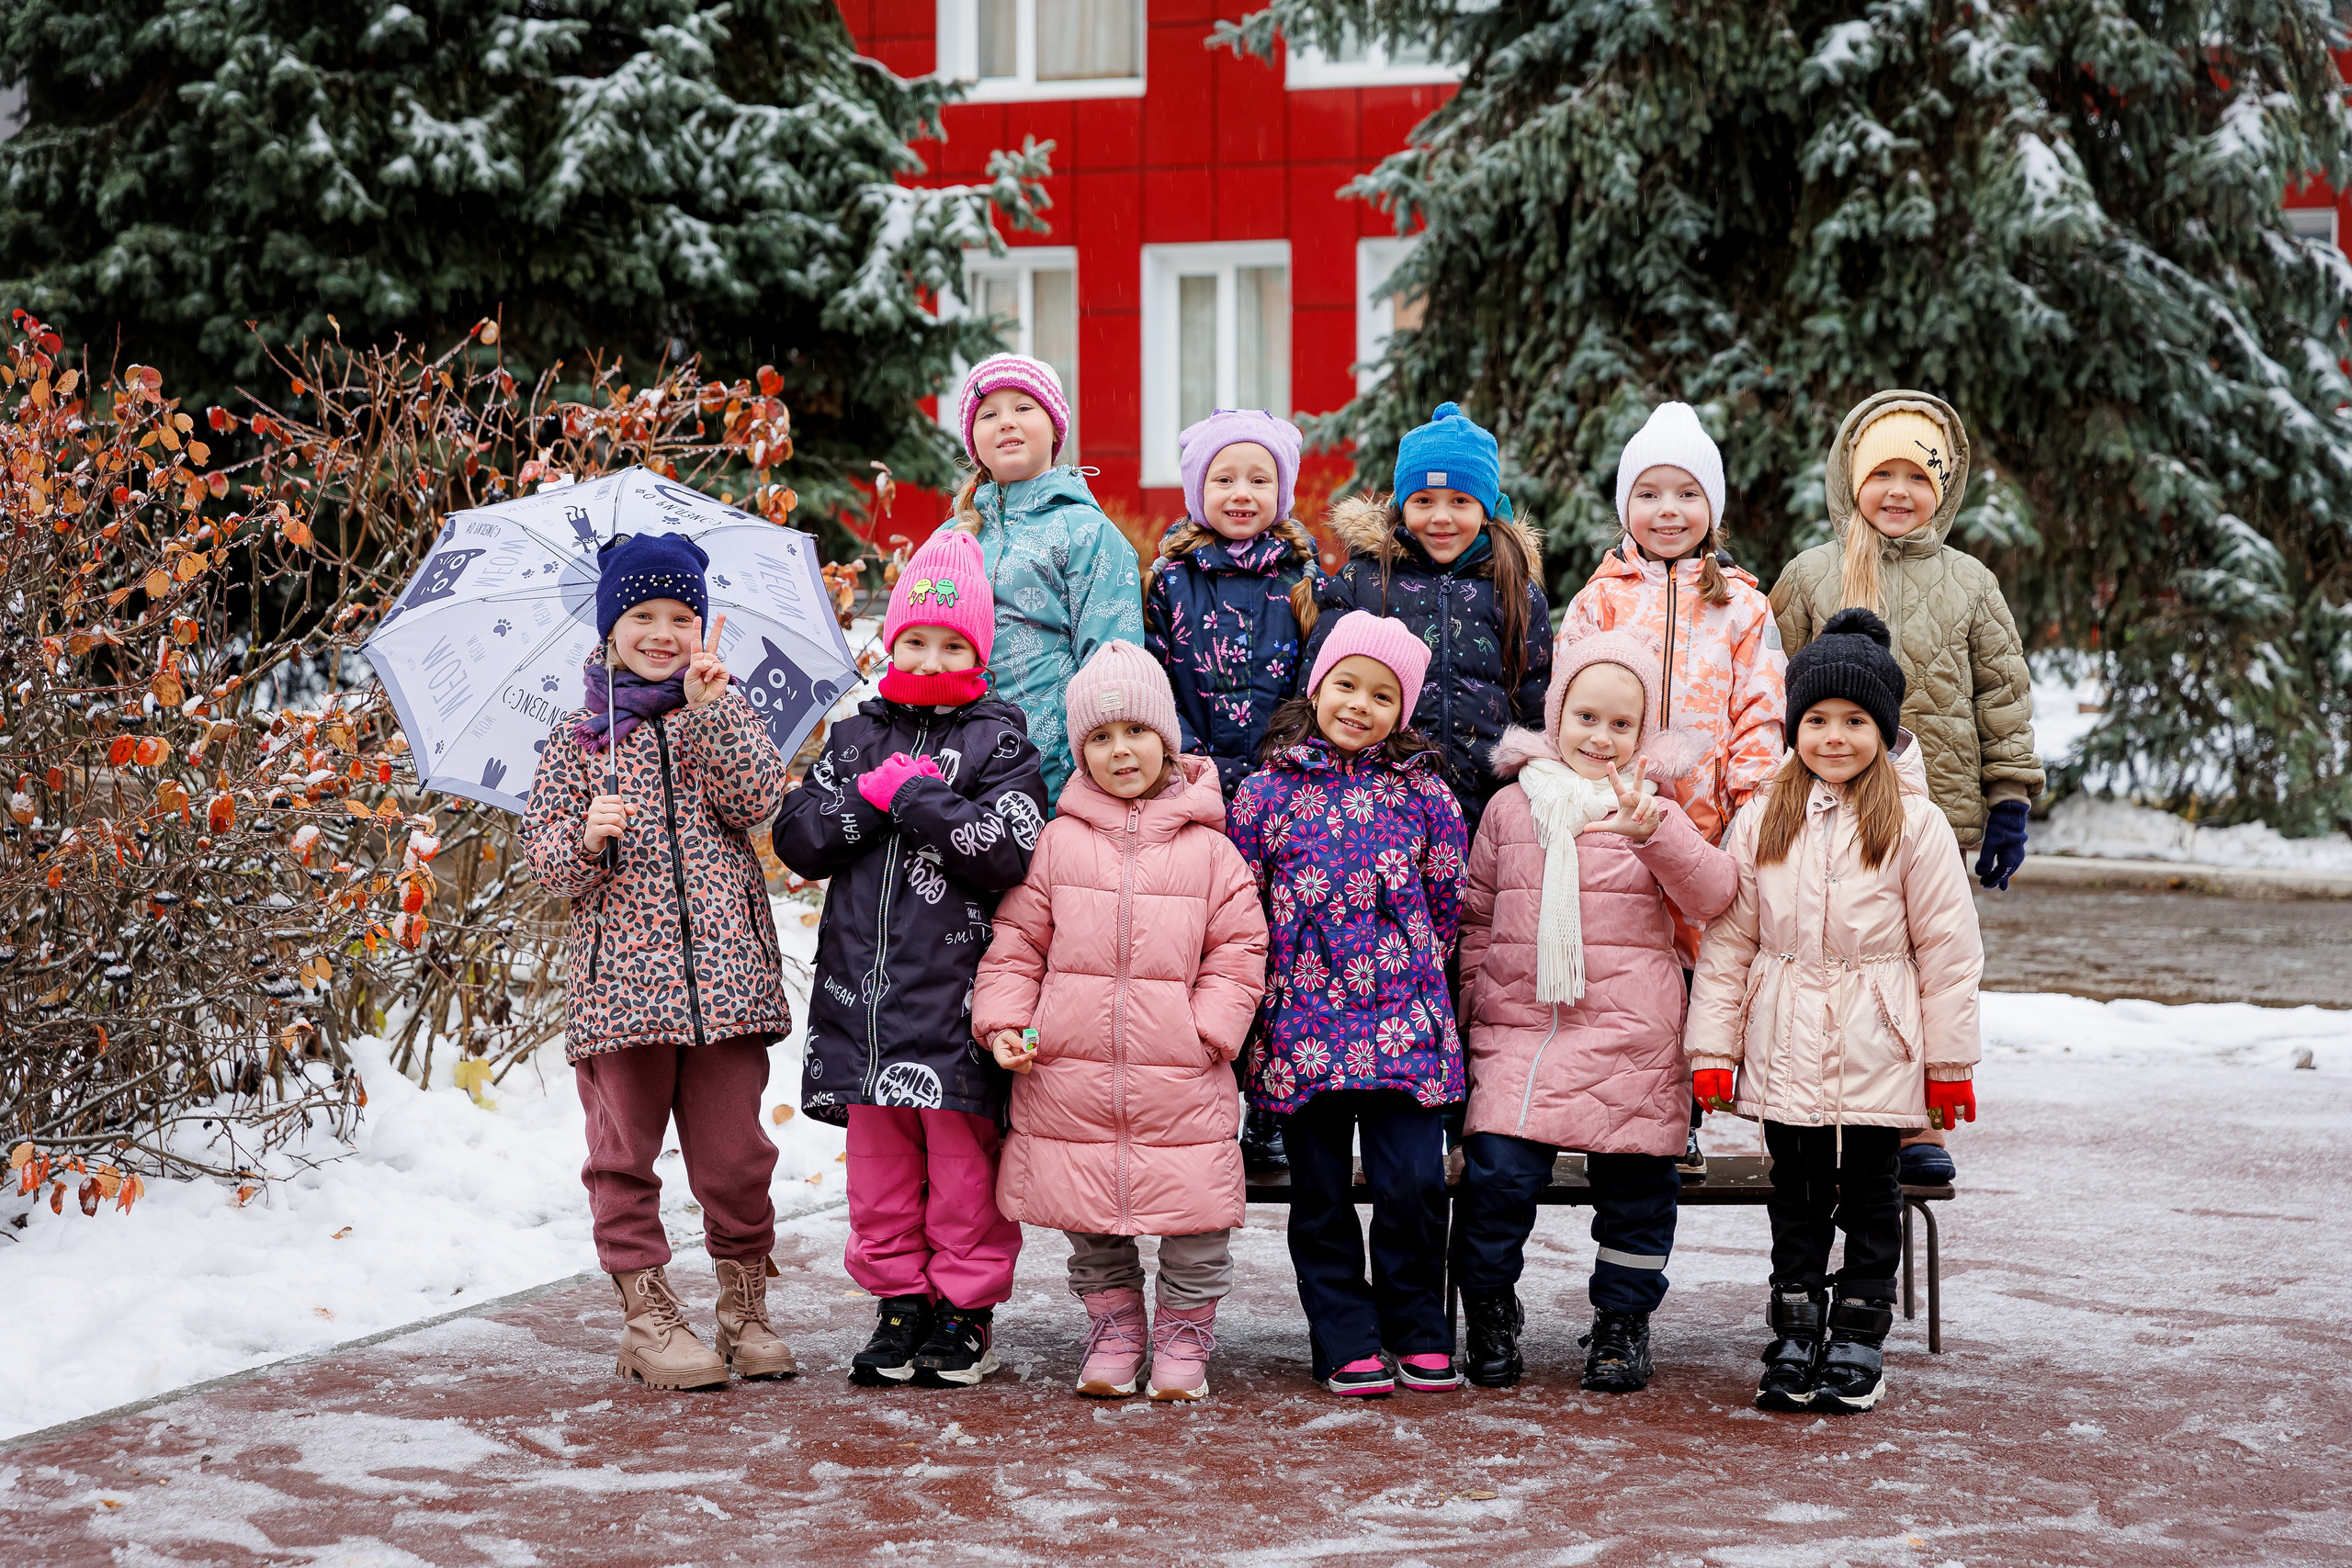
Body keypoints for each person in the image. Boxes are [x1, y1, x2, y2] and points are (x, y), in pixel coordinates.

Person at [770, 528, 1048, 1390]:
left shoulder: (1002, 744)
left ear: (981, 651)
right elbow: (799, 838)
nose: (930, 657)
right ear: (889, 642)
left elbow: (1008, 850)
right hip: (863, 1011)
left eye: (952, 643)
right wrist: (870, 793)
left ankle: (964, 1312)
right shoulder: (853, 737)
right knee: (881, 1176)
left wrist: (917, 796)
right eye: (914, 641)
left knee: (965, 1173)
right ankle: (898, 1304)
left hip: (954, 1010)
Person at [1687, 608, 1984, 1416]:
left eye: (1856, 721)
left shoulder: (1915, 825)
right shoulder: (1763, 819)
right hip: (1784, 1039)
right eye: (1817, 720)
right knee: (1799, 1193)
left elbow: (1950, 952)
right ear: (1795, 727)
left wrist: (1948, 1065)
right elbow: (1729, 944)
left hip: (1880, 1044)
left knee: (1871, 1193)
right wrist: (1712, 1047)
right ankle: (1793, 1327)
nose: (1835, 736)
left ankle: (1859, 1330)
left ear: (1884, 731)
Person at [523, 531, 800, 1392]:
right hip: (621, 994)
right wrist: (587, 839)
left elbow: (760, 803)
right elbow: (547, 864)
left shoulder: (718, 709)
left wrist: (713, 715)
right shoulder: (578, 744)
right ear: (609, 628)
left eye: (681, 615)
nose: (662, 630)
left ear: (703, 626)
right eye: (642, 614)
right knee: (623, 1154)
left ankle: (744, 1306)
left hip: (725, 987)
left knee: (737, 1156)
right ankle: (646, 1316)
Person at [975, 643, 1269, 1402]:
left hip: (1179, 1070)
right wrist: (1005, 1018)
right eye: (1098, 738)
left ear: (1167, 740)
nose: (1119, 751)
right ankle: (1114, 1325)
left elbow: (1239, 948)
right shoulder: (1056, 842)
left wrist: (1208, 1029)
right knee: (1089, 1216)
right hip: (1070, 1069)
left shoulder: (1212, 850)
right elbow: (1017, 944)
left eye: (1134, 731)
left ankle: (1182, 1332)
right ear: (1079, 752)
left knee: (1196, 1214)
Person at [1452, 630, 1737, 1393]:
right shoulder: (1513, 808)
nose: (1601, 738)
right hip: (1524, 1031)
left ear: (1642, 735)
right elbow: (1478, 916)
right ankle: (1489, 1308)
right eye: (1586, 717)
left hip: (1632, 1036)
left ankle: (1622, 1321)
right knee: (1497, 1178)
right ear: (1557, 718)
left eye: (1621, 725)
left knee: (1641, 1185)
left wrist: (1661, 835)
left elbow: (1712, 896)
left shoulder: (1653, 807)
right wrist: (1479, 1003)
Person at [1770, 390, 2038, 1185]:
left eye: (1916, 477)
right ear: (1851, 479)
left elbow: (2003, 692)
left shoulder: (1971, 581)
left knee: (1926, 965)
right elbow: (1768, 684)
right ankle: (1820, 1098)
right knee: (1841, 960)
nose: (1896, 491)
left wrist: (2009, 798)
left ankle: (1921, 1119)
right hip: (1823, 810)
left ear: (1943, 489)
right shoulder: (1812, 574)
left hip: (1935, 814)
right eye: (1879, 472)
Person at [1229, 611, 1468, 1397]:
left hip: (1404, 1024)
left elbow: (1446, 899)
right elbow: (1243, 900)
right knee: (1321, 1192)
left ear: (1403, 709)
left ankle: (1416, 1323)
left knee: (1412, 1183)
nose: (1359, 705)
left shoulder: (1426, 793)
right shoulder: (1267, 792)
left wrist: (1405, 968)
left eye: (1381, 694)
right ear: (1318, 685)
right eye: (1346, 686)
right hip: (1302, 1026)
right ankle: (1344, 1332)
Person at [1565, 400, 1786, 1177]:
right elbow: (1566, 698)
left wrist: (1753, 804)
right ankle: (1605, 1108)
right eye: (1651, 492)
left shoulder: (1742, 606)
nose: (1669, 509)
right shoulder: (1599, 600)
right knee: (1624, 974)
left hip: (1705, 823)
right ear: (1627, 503)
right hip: (1611, 819)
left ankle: (1679, 1113)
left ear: (1713, 508)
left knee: (1692, 976)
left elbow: (1760, 709)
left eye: (1687, 493)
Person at [1143, 407, 1319, 1175]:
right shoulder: (1172, 581)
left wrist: (1288, 760)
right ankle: (1197, 1099)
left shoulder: (1305, 581)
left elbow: (1320, 680)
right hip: (1199, 789)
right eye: (1224, 477)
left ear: (1280, 490)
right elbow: (1157, 676)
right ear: (1197, 489)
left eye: (1258, 478)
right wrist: (1187, 760)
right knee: (1203, 948)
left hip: (1285, 792)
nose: (1241, 492)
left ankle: (1270, 1109)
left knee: (1277, 947)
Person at [1301, 402, 1551, 842]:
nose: (1440, 517)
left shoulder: (1514, 587)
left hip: (1489, 800)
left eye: (1460, 501)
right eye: (1423, 501)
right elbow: (1318, 681)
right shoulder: (1365, 579)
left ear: (1487, 508)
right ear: (1401, 504)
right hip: (1382, 802)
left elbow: (1536, 694)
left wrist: (1537, 775)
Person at [944, 352, 1146, 799]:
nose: (1006, 422)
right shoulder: (953, 538)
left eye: (1023, 408)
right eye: (989, 414)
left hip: (1051, 768)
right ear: (973, 441)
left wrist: (1094, 763)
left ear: (1054, 428)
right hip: (956, 764)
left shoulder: (1087, 531)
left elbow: (1112, 658)